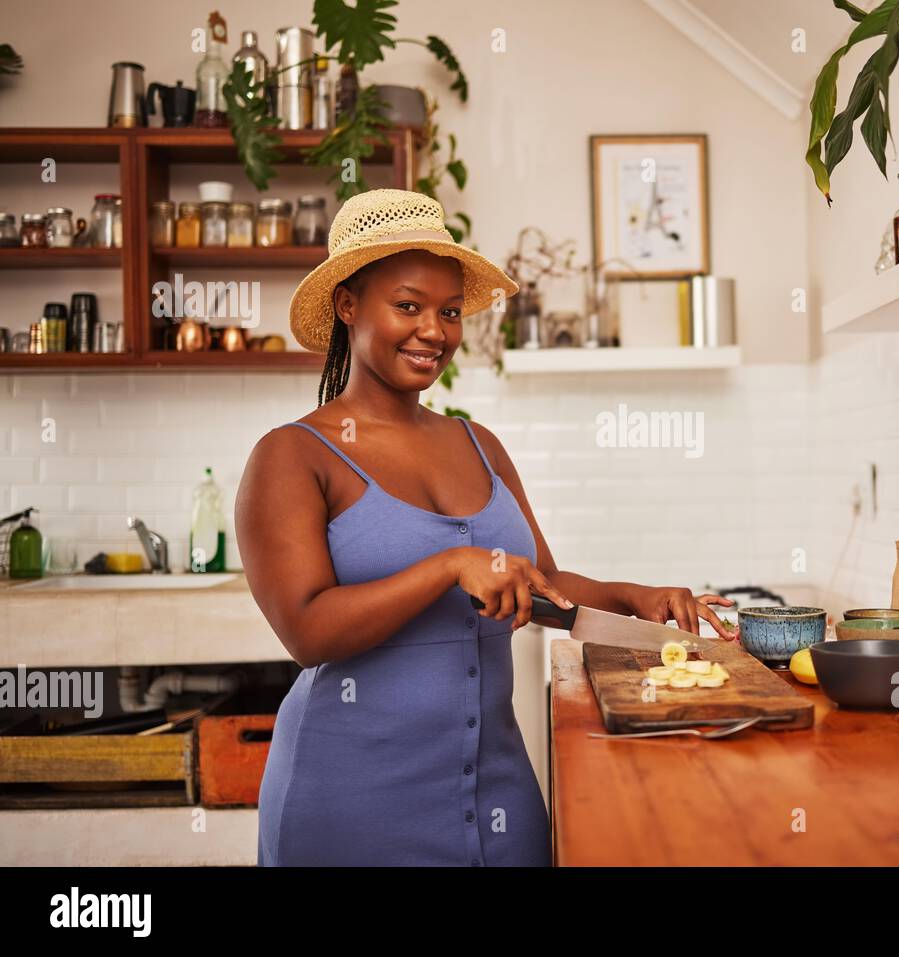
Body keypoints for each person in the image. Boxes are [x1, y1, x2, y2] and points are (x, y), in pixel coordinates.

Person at [236, 189, 737, 865]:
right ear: (347, 305)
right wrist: (449, 565)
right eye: (408, 305)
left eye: (448, 312)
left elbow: (543, 584)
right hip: (351, 803)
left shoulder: (479, 443)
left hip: (497, 796)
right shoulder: (290, 455)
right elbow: (307, 630)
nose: (434, 330)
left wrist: (637, 598)